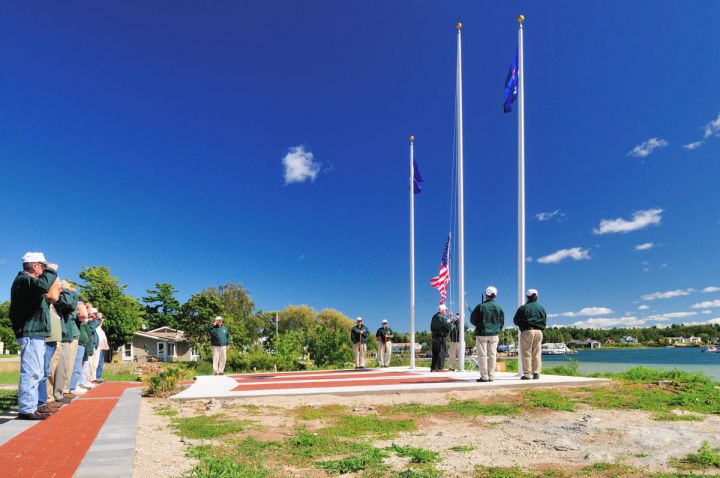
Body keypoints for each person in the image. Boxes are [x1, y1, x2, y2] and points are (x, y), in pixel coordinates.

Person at [9, 252, 58, 420]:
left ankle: (30, 406)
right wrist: (51, 271)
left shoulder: (28, 282)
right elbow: (43, 286)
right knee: (31, 371)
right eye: (43, 267)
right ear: (35, 266)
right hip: (30, 332)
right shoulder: (24, 280)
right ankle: (27, 409)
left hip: (34, 332)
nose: (44, 270)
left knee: (35, 371)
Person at [37, 279, 63, 414]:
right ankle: (41, 402)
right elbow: (54, 295)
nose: (60, 290)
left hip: (52, 340)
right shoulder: (46, 298)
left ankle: (42, 401)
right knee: (42, 372)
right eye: (58, 287)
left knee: (46, 371)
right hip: (47, 340)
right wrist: (54, 280)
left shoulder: (52, 305)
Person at [470, 286, 505, 382]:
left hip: (482, 333)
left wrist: (479, 325)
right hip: (494, 334)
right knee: (492, 355)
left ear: (486, 295)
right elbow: (502, 322)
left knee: (482, 356)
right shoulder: (499, 308)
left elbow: (472, 320)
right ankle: (492, 376)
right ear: (495, 296)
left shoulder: (480, 306)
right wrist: (496, 329)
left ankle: (484, 376)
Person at [513, 288, 547, 380]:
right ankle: (536, 373)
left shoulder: (523, 308)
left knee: (526, 352)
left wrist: (523, 325)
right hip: (539, 331)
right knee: (537, 353)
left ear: (527, 297)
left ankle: (527, 374)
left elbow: (515, 321)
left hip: (527, 331)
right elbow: (544, 321)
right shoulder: (541, 308)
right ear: (537, 297)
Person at [54, 282, 79, 403]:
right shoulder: (58, 295)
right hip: (60, 334)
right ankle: (56, 394)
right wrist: (68, 291)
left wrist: (70, 292)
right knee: (58, 367)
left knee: (65, 366)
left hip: (64, 334)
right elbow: (69, 303)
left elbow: (71, 305)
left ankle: (60, 391)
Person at [430, 304, 452, 372]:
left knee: (435, 352)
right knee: (442, 351)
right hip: (441, 337)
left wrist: (447, 318)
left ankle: (433, 368)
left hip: (434, 336)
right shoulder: (442, 318)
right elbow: (448, 327)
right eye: (445, 310)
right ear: (442, 310)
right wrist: (450, 321)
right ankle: (440, 367)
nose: (446, 311)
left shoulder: (434, 316)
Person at [94, 314, 110, 383]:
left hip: (102, 348)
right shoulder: (96, 329)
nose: (102, 322)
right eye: (100, 321)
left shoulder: (100, 329)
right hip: (98, 348)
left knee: (101, 363)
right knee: (97, 363)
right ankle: (96, 377)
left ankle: (99, 376)